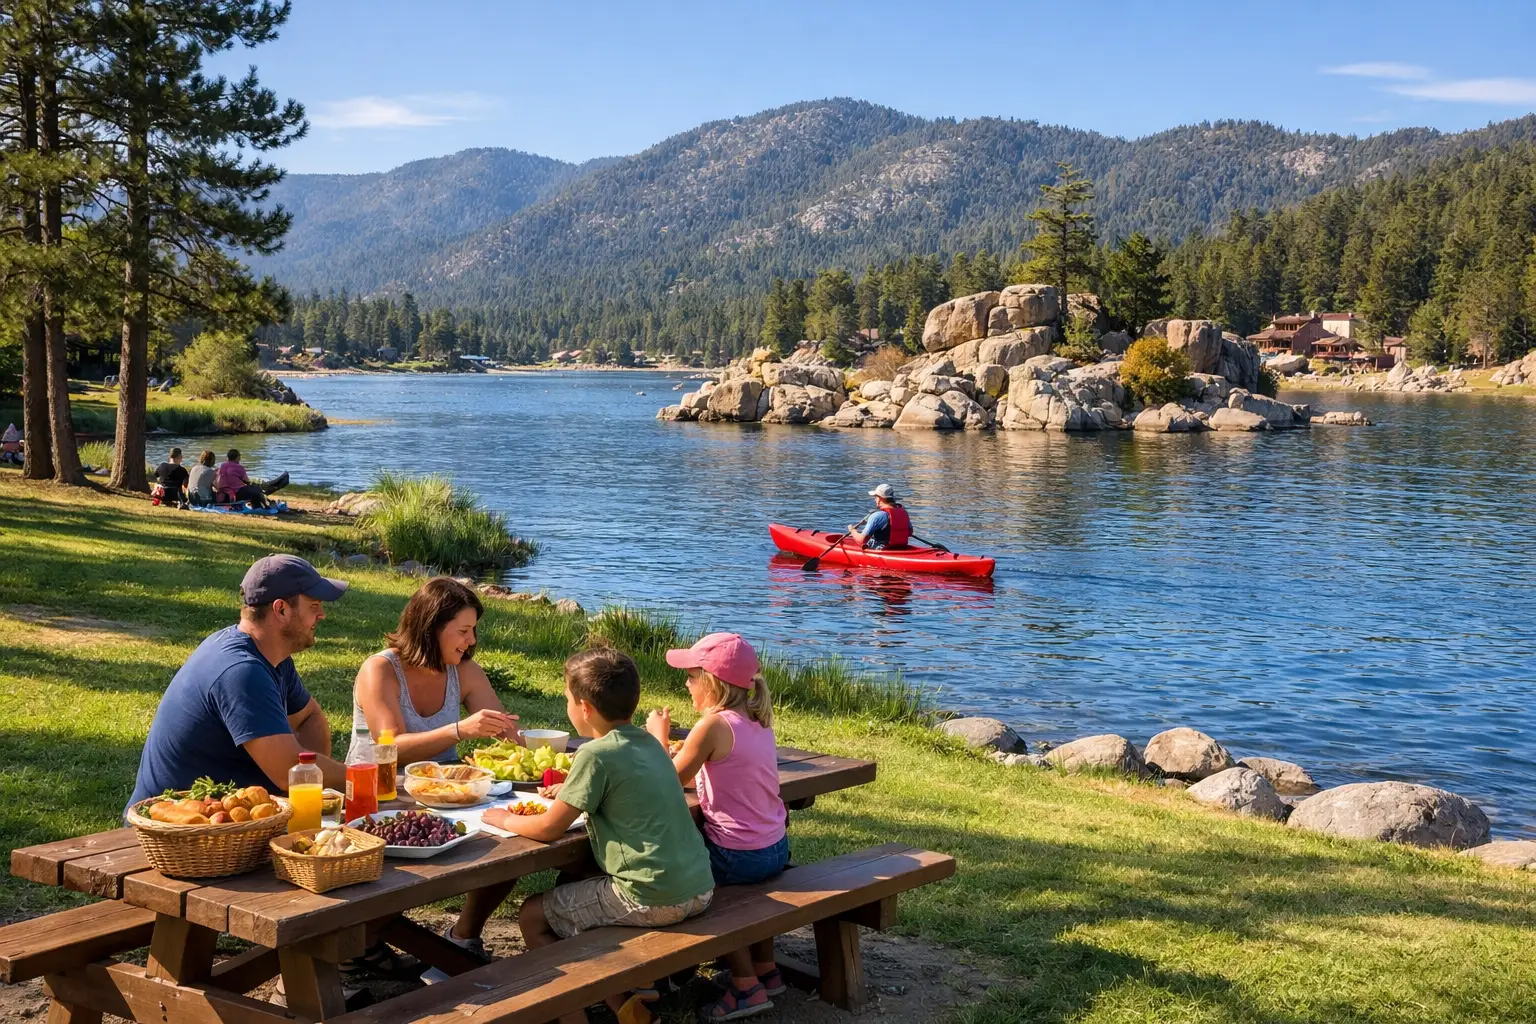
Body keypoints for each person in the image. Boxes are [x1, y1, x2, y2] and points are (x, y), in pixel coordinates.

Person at [480, 648, 714, 1024]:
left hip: (650, 897)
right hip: (699, 888)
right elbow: (625, 788)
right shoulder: (651, 743)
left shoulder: (594, 755)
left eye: (568, 699)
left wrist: (504, 819)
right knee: (578, 888)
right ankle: (625, 1006)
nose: (568, 706)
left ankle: (574, 1017)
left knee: (533, 915)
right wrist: (570, 792)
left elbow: (547, 828)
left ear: (585, 707)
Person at [126, 555, 349, 811]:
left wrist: (310, 794)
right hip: (176, 833)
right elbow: (287, 768)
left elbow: (310, 717)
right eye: (314, 606)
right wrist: (360, 778)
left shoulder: (271, 656)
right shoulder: (241, 671)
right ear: (281, 610)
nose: (321, 615)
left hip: (230, 826)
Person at [647, 633, 787, 1022]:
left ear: (711, 682)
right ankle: (766, 970)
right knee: (748, 891)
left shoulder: (711, 726)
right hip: (775, 847)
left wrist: (658, 734)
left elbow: (667, 781)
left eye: (691, 677)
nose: (686, 684)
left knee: (691, 885)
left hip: (736, 855)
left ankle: (746, 987)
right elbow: (727, 772)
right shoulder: (757, 719)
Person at [350, 576, 522, 766]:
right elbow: (389, 749)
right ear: (430, 629)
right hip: (374, 788)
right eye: (463, 631)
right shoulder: (381, 670)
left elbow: (509, 732)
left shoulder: (465, 672)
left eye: (473, 630)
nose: (472, 640)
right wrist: (458, 731)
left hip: (444, 788)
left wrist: (553, 750)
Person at [214, 448, 290, 507]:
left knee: (258, 488)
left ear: (228, 457)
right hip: (236, 492)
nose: (240, 458)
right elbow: (246, 481)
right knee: (257, 488)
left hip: (225, 493)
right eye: (239, 456)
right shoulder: (239, 467)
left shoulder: (222, 465)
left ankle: (279, 480)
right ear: (237, 457)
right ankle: (281, 479)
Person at [848, 483, 911, 550]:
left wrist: (852, 530)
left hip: (883, 550)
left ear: (880, 498)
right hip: (901, 548)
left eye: (876, 497)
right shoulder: (903, 512)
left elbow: (862, 540)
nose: (875, 500)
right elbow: (909, 532)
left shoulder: (877, 516)